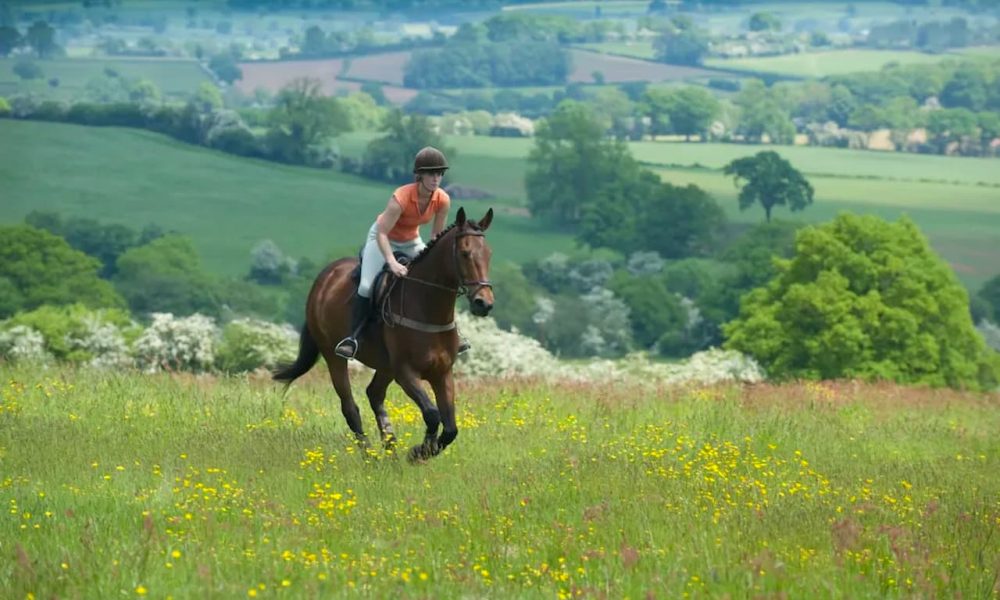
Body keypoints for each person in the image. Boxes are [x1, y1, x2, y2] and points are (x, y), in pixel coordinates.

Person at [334, 146, 470, 359]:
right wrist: (391, 262)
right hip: (382, 238)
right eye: (431, 174)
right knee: (367, 285)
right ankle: (353, 339)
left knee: (434, 280)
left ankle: (453, 333)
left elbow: (436, 236)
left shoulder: (442, 199)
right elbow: (382, 233)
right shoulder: (401, 197)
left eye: (440, 174)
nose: (437, 178)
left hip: (410, 240)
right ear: (420, 175)